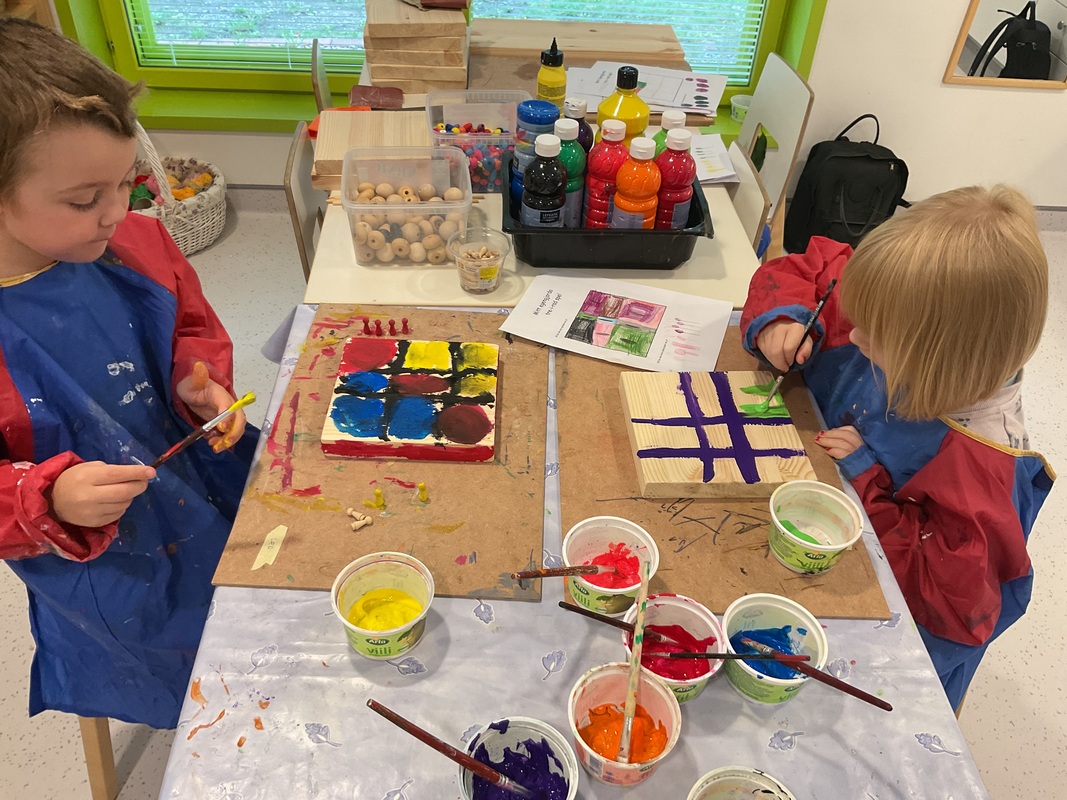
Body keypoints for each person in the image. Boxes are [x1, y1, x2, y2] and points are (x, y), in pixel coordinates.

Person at [0, 18, 257, 728]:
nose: (118, 211)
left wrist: (198, 379)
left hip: (205, 476)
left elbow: (191, 324)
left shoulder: (137, 240)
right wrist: (46, 497)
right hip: (107, 558)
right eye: (85, 200)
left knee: (269, 599)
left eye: (127, 183)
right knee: (198, 675)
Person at [741, 185, 1055, 711]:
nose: (854, 335)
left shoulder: (980, 467)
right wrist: (783, 318)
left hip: (895, 617)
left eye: (875, 335)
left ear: (937, 364)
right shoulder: (900, 306)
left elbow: (948, 605)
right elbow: (812, 267)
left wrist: (872, 484)